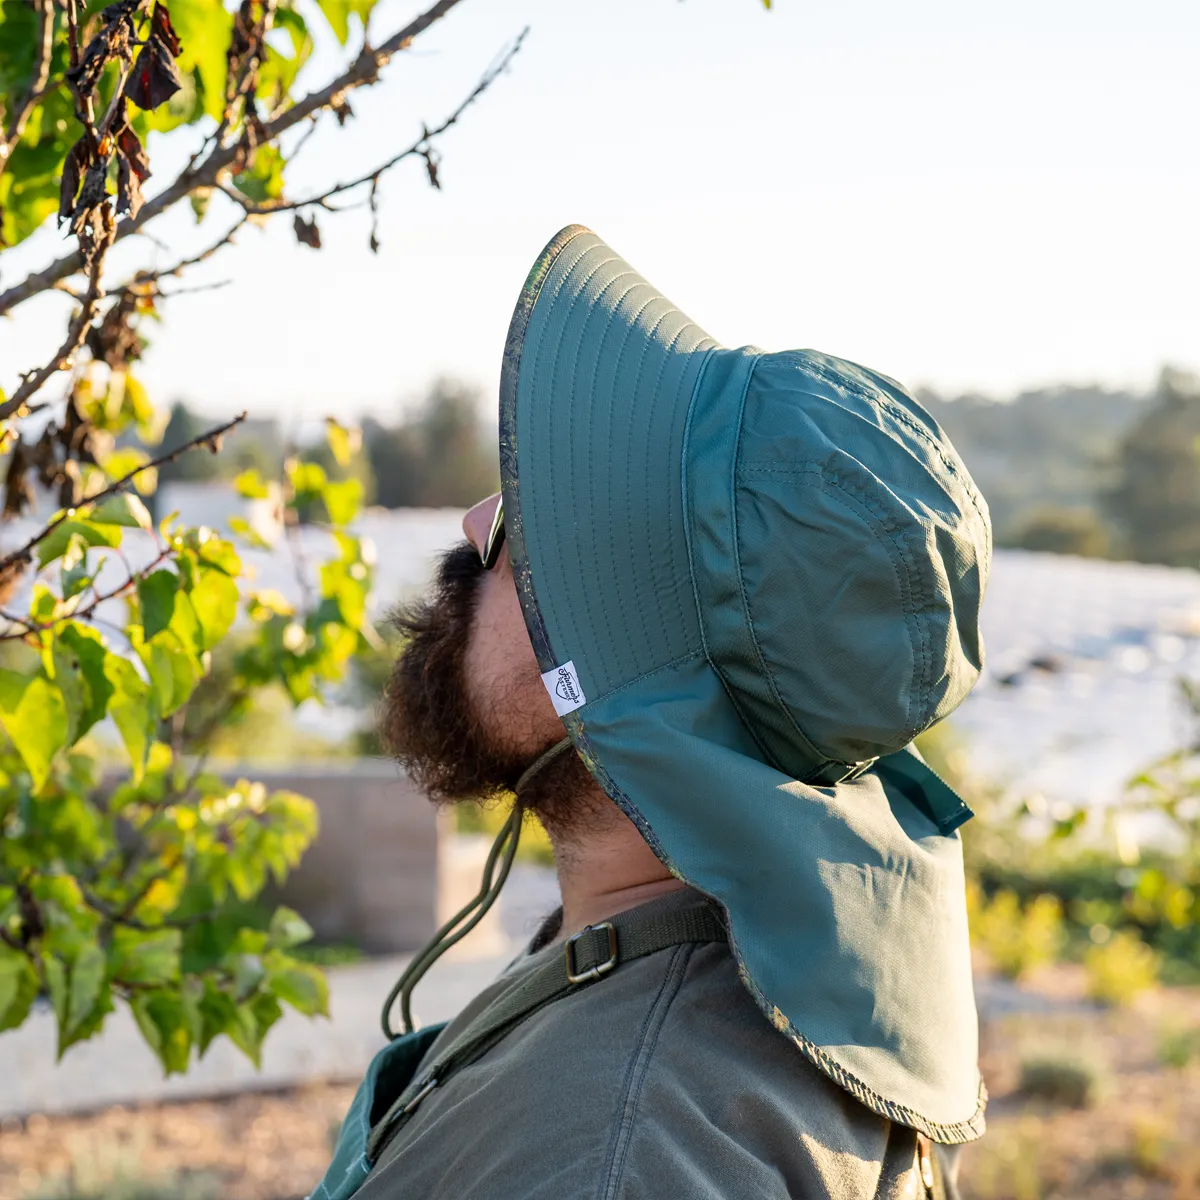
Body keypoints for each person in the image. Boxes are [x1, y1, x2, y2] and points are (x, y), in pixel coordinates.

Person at [311, 226, 990, 1200]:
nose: (474, 524)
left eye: (534, 523)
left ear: (633, 669)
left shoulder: (615, 1154)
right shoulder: (732, 970)